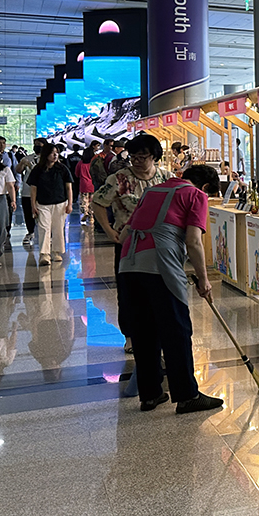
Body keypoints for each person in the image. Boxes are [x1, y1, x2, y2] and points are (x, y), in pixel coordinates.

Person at [118, 164, 225, 415]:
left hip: (128, 264)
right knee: (176, 330)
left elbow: (125, 233)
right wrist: (203, 279)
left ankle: (151, 394)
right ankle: (187, 396)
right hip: (160, 266)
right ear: (206, 187)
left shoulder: (152, 191)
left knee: (143, 331)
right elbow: (193, 241)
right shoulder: (195, 195)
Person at [92, 133, 171, 354]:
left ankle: (158, 333)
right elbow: (98, 203)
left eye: (142, 157)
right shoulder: (119, 178)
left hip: (160, 243)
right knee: (129, 291)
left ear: (154, 156)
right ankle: (131, 335)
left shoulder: (166, 178)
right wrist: (108, 230)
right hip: (129, 243)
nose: (136, 161)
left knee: (161, 289)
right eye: (133, 156)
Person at [27, 142, 74, 266]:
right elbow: (33, 188)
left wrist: (70, 204)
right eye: (52, 153)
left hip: (60, 203)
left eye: (57, 153)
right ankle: (44, 254)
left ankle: (56, 252)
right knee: (44, 228)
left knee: (58, 229)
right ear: (46, 154)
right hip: (42, 203)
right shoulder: (38, 169)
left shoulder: (62, 168)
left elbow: (69, 187)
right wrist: (33, 205)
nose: (55, 155)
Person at [15, 140, 45, 246]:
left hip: (42, 191)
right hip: (27, 190)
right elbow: (18, 170)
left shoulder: (47, 158)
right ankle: (30, 232)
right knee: (28, 213)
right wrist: (22, 163)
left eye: (39, 145)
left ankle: (45, 235)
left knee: (43, 213)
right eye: (35, 145)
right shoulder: (28, 158)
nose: (37, 147)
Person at [77, 144, 96, 224]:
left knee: (84, 200)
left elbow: (76, 173)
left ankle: (85, 213)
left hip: (83, 184)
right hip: (93, 184)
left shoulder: (80, 163)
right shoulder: (94, 163)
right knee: (92, 200)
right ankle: (92, 216)